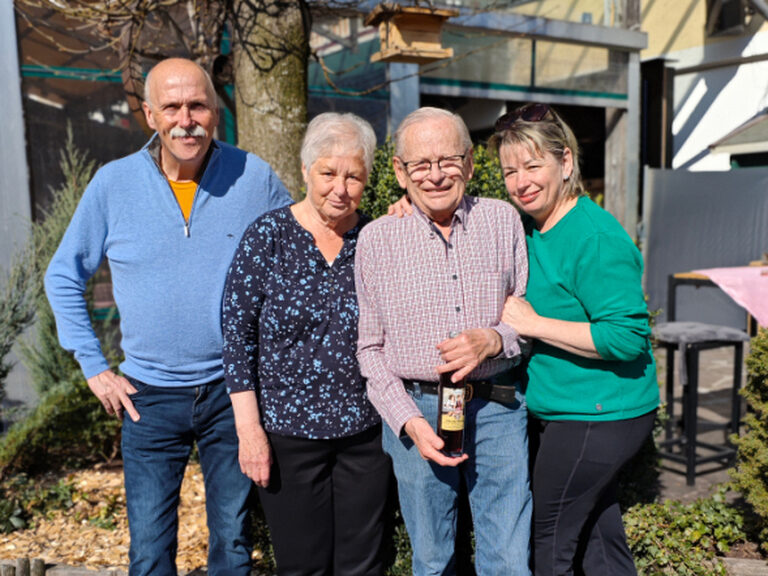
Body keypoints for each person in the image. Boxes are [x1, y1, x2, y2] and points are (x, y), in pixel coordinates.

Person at [44, 58, 293, 576]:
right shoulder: (114, 185)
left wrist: (388, 217)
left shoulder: (254, 177)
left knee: (232, 543)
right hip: (147, 399)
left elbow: (307, 246)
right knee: (150, 551)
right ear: (150, 115)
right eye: (173, 108)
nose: (187, 120)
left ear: (215, 110)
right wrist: (93, 365)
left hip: (234, 393)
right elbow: (64, 275)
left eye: (198, 105)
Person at [355, 106, 532, 575]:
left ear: (470, 163)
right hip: (419, 412)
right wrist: (407, 422)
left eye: (448, 160)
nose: (435, 175)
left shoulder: (503, 221)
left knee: (510, 559)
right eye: (420, 164)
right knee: (432, 560)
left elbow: (527, 318)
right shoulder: (376, 240)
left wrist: (494, 339)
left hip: (497, 409)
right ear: (400, 171)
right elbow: (369, 350)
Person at [490, 102, 660, 575]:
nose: (520, 181)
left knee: (548, 543)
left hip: (598, 416)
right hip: (575, 413)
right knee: (599, 541)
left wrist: (534, 323)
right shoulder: (533, 226)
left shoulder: (593, 237)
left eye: (532, 165)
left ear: (565, 162)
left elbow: (627, 337)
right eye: (509, 171)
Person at [222, 112, 390, 576]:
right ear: (304, 172)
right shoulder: (268, 237)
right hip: (288, 437)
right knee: (302, 566)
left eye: (353, 175)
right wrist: (249, 432)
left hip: (365, 434)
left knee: (364, 565)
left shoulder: (375, 239)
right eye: (328, 173)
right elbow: (237, 340)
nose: (341, 187)